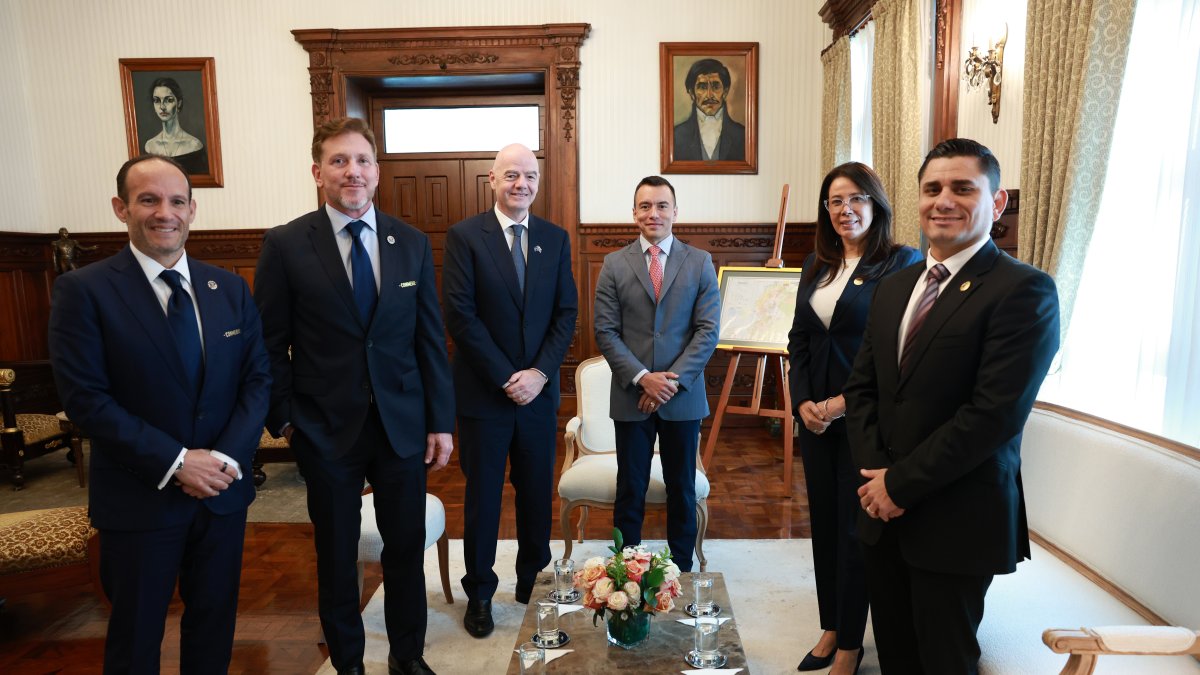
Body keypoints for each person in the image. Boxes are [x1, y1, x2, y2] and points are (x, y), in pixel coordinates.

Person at [844, 138, 1060, 674]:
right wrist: (876, 481)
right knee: (896, 656)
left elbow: (993, 416)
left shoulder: (1024, 290)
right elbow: (863, 390)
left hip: (958, 518)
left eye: (963, 188)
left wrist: (899, 485)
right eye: (932, 188)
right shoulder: (894, 288)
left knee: (945, 661)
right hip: (880, 513)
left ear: (997, 201)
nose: (943, 201)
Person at [47, 154, 270, 673]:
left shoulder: (228, 287)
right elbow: (86, 399)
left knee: (214, 626)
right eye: (148, 199)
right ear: (121, 208)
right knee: (136, 638)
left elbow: (258, 380)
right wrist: (178, 462)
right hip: (139, 498)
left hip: (221, 494)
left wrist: (225, 460)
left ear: (192, 210)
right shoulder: (84, 291)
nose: (164, 213)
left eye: (176, 201)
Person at [254, 117, 454, 675]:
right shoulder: (286, 244)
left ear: (377, 171)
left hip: (401, 427)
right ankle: (349, 664)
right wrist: (286, 419)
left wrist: (440, 421)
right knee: (338, 555)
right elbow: (267, 343)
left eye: (362, 160)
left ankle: (407, 656)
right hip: (324, 430)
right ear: (318, 172)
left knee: (404, 549)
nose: (352, 171)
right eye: (339, 161)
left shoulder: (410, 242)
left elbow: (429, 340)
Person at [787, 162, 921, 674]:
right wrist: (803, 402)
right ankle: (831, 626)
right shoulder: (815, 264)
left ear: (876, 204)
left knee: (854, 531)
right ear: (826, 210)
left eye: (857, 198)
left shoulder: (901, 263)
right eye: (836, 201)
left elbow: (898, 351)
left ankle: (850, 644)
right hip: (815, 421)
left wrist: (839, 404)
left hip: (865, 420)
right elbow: (799, 338)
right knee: (823, 525)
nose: (846, 210)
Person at [442, 143, 578, 637]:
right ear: (493, 180)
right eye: (512, 175)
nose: (522, 184)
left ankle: (531, 582)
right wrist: (507, 376)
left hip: (538, 396)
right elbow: (461, 315)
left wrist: (538, 373)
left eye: (530, 176)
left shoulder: (554, 239)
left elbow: (565, 313)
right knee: (483, 497)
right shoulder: (465, 237)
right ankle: (479, 592)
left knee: (536, 493)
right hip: (484, 395)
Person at [593, 175, 720, 572]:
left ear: (675, 211)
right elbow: (605, 331)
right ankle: (625, 572)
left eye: (662, 205)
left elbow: (707, 331)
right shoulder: (614, 264)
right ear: (634, 213)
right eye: (645, 206)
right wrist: (643, 378)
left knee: (682, 486)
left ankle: (680, 570)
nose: (654, 213)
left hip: (683, 397)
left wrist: (668, 383)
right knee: (630, 487)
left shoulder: (699, 262)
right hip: (632, 395)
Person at [672, 58, 747, 162]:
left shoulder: (743, 135)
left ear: (725, 92)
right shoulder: (676, 136)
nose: (709, 95)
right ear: (692, 93)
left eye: (715, 87)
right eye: (702, 87)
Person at [144, 77, 208, 177]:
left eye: (168, 100)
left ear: (179, 103)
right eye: (157, 100)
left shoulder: (194, 145)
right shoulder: (150, 147)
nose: (162, 107)